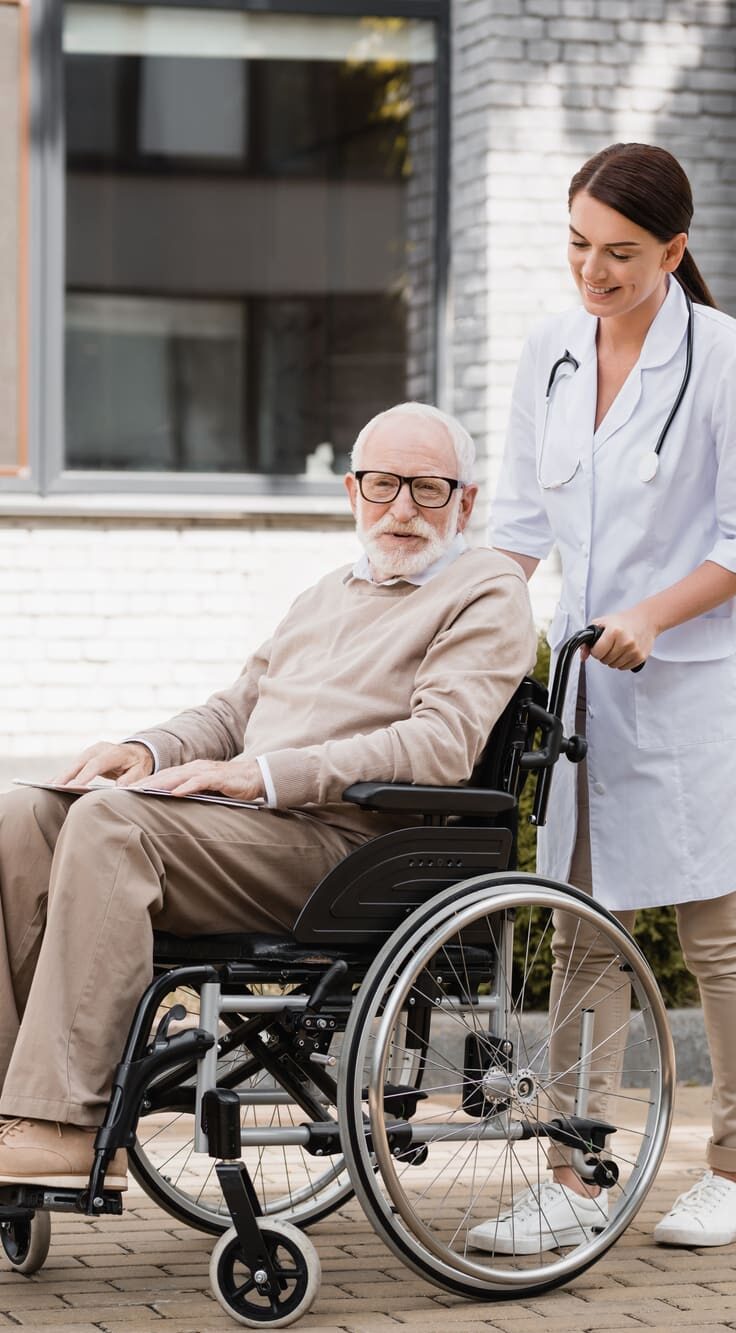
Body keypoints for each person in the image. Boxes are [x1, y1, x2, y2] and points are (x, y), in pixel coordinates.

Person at [0, 401, 537, 1190]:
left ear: (466, 500)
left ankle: (69, 1124)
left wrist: (267, 773)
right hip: (252, 830)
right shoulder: (330, 591)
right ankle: (16, 1106)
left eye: (427, 489)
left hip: (354, 845)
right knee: (24, 814)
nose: (401, 509)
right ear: (353, 491)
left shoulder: (486, 589)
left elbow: (441, 744)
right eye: (384, 485)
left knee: (115, 825)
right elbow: (233, 711)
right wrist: (143, 748)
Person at [481, 143, 736, 1252]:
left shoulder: (728, 363)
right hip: (588, 692)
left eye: (620, 253)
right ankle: (575, 1182)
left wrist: (656, 616)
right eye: (577, 245)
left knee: (718, 936)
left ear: (673, 251)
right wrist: (459, 630)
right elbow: (519, 523)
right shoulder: (552, 354)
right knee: (583, 934)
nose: (593, 271)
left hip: (696, 690)